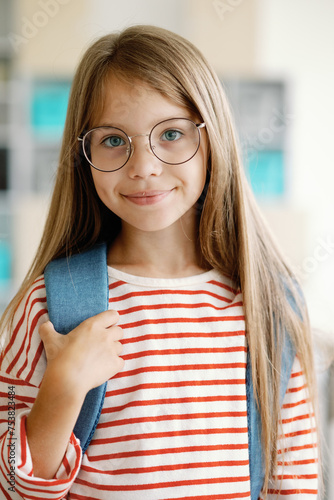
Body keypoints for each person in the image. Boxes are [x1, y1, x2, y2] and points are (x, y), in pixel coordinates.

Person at [0, 25, 318, 499]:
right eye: (113, 140)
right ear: (83, 155)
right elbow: (10, 484)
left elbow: (292, 485)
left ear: (214, 139)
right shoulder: (48, 307)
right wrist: (63, 390)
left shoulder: (268, 307)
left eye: (170, 133)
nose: (144, 165)